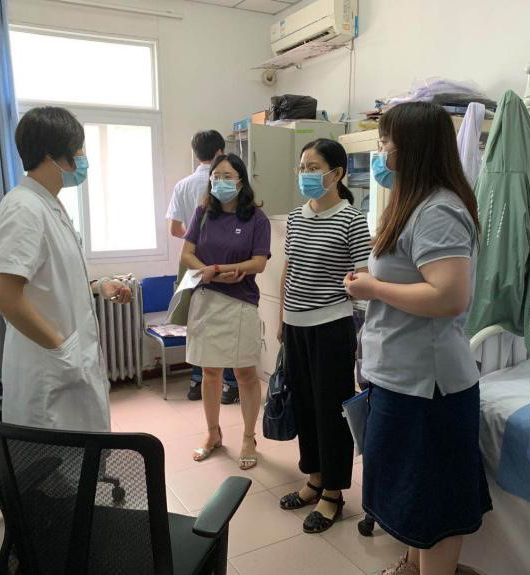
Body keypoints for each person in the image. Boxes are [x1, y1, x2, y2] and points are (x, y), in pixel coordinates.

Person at [344, 102, 491, 575]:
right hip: (399, 377)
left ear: (414, 147)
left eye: (386, 141)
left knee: (435, 505)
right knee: (410, 495)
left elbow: (449, 296)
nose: (382, 151)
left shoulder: (438, 210)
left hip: (429, 388)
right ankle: (410, 565)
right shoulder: (411, 205)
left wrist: (373, 288)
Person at [0, 106, 132, 432]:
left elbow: (53, 278)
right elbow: (4, 297)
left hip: (67, 364)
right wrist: (60, 348)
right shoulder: (23, 208)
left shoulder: (49, 204)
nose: (82, 158)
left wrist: (100, 286)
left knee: (83, 449)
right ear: (52, 154)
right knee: (57, 457)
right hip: (49, 371)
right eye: (78, 149)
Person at [276, 139, 371, 534]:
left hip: (331, 326)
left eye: (313, 168)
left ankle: (333, 492)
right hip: (295, 324)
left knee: (331, 410)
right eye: (302, 167)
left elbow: (363, 276)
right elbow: (289, 268)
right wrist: (281, 318)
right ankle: (314, 478)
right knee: (304, 406)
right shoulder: (296, 217)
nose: (306, 174)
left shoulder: (352, 219)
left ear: (337, 173)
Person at [181, 153, 271, 470]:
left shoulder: (256, 219)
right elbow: (187, 253)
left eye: (227, 176)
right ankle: (213, 433)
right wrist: (208, 272)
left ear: (241, 181)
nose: (220, 181)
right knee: (210, 373)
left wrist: (222, 269)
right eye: (216, 176)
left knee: (245, 374)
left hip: (241, 303)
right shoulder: (203, 213)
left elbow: (259, 262)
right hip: (206, 300)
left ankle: (248, 437)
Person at [166, 130, 239, 404]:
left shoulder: (182, 185)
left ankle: (196, 381)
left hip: (191, 261)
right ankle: (230, 384)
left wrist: (194, 239)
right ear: (220, 151)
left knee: (196, 320)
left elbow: (175, 229)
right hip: (223, 259)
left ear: (195, 153)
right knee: (226, 320)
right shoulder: (229, 181)